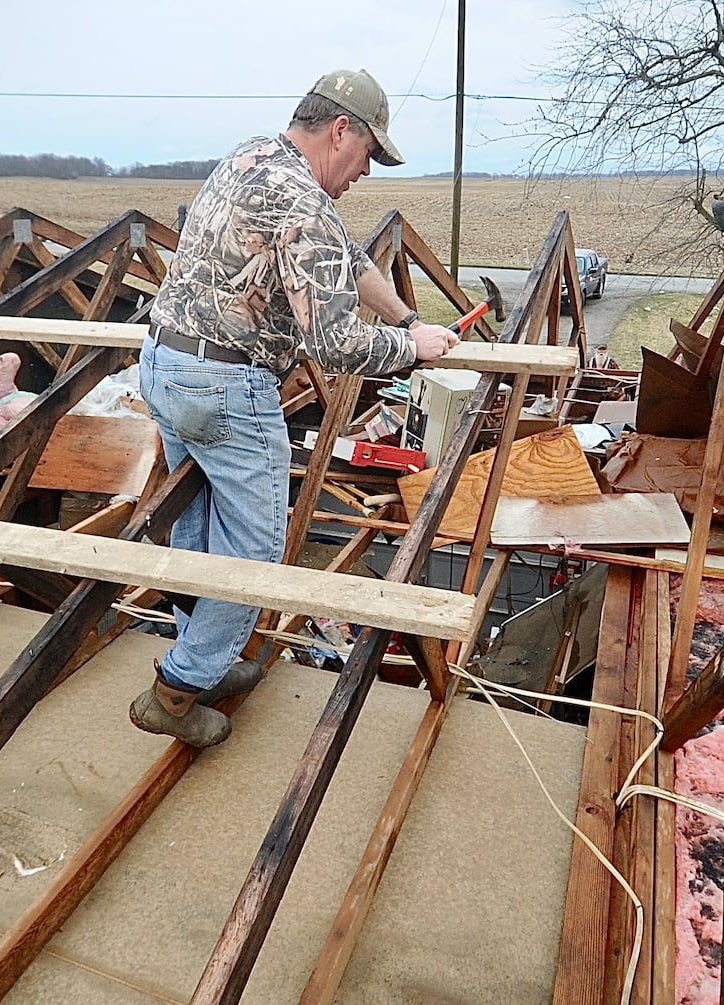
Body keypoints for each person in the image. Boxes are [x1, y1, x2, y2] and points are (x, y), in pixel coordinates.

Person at [132, 67, 459, 747]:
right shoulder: (303, 203)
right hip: (226, 386)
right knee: (253, 556)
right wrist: (410, 347)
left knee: (196, 528)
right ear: (341, 129)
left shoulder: (253, 158)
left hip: (164, 365)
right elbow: (336, 346)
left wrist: (406, 315)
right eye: (369, 153)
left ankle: (205, 659)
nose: (367, 171)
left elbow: (342, 257)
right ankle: (176, 688)